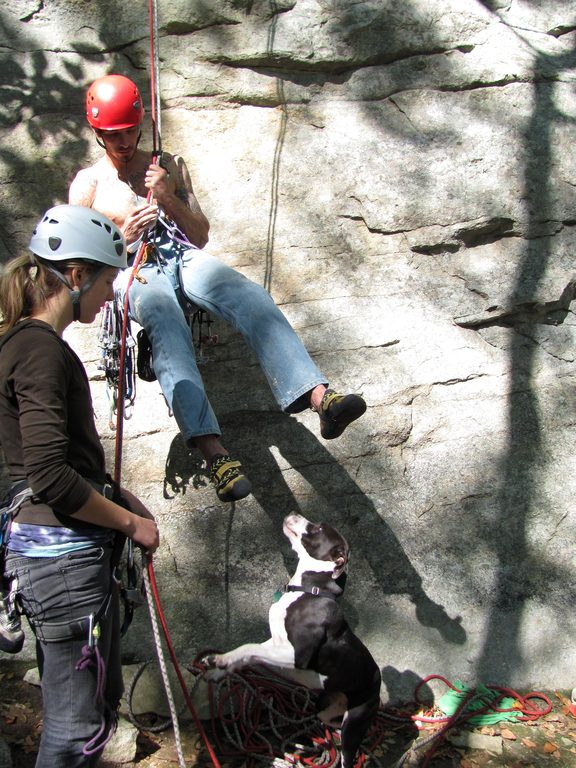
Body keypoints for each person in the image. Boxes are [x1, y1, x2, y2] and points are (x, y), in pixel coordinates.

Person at [69, 74, 367, 504]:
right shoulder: (89, 184)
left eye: (130, 130)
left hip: (181, 255)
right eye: (113, 134)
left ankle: (321, 397)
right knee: (165, 323)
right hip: (133, 270)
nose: (124, 141)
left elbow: (200, 235)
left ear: (142, 123)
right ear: (97, 133)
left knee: (247, 295)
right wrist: (122, 234)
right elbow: (80, 260)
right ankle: (214, 453)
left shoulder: (166, 164)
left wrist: (168, 197)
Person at [0, 204, 160, 767]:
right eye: (109, 280)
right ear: (76, 275)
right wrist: (129, 523)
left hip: (60, 558)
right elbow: (47, 474)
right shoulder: (40, 350)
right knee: (74, 732)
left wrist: (115, 493)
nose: (110, 294)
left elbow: (54, 459)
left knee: (92, 713)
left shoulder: (30, 346)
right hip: (62, 563)